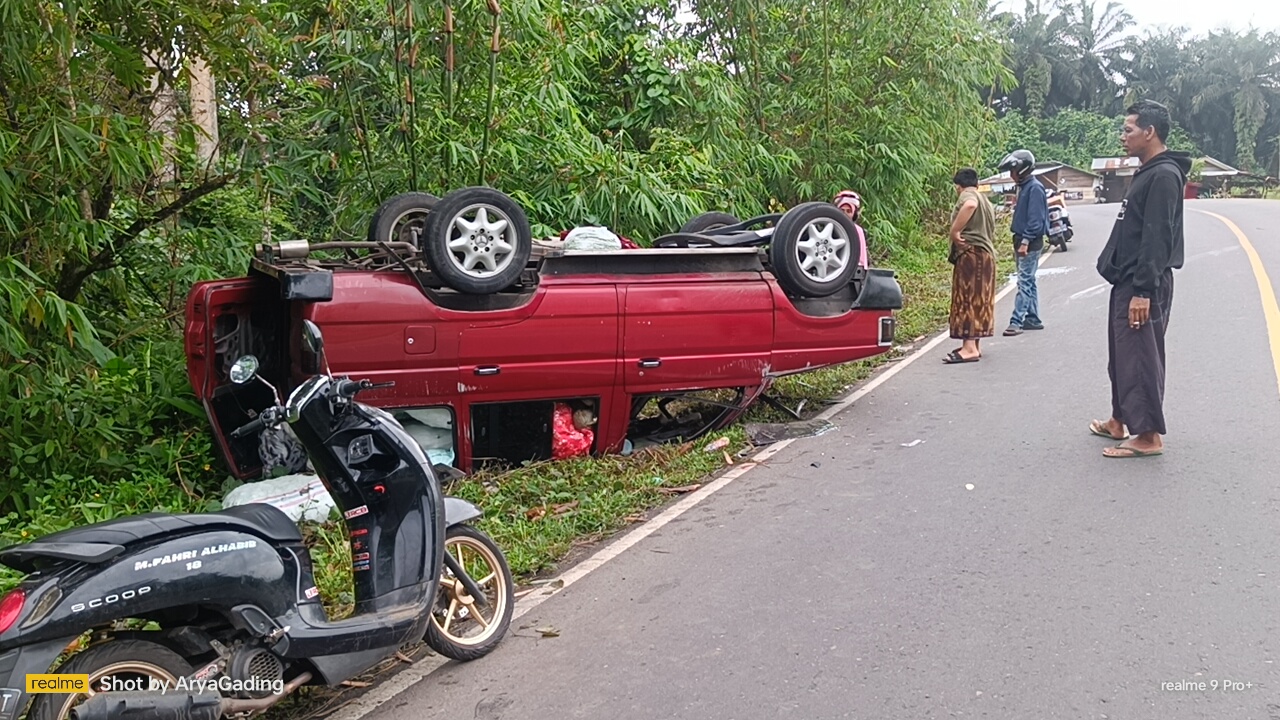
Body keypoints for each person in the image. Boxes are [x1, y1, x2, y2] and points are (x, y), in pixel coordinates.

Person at [1090, 99, 1190, 458]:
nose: (1123, 137)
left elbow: (1157, 236)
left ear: (1150, 132)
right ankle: (1119, 419)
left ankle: (1147, 436)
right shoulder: (1149, 170)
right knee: (1122, 354)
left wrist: (1144, 292)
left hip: (1141, 283)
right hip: (1127, 279)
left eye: (1128, 130)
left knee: (1139, 356)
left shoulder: (1163, 175)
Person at [942, 168, 998, 364]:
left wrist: (955, 231)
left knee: (966, 298)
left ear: (958, 186)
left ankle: (969, 349)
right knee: (979, 300)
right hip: (986, 256)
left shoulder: (969, 195)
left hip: (972, 255)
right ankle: (974, 345)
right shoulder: (986, 200)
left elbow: (969, 205)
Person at [998, 149, 1049, 336]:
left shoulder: (1034, 188)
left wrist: (1025, 241)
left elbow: (1036, 220)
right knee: (1029, 281)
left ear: (1022, 170)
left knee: (1024, 281)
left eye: (1013, 171)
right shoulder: (1025, 187)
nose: (1011, 175)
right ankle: (1033, 318)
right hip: (1022, 239)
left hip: (1029, 241)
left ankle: (1016, 321)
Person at [833, 190, 870, 269]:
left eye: (849, 211)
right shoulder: (827, 228)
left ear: (854, 214)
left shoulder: (858, 231)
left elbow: (862, 263)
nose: (845, 213)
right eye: (842, 210)